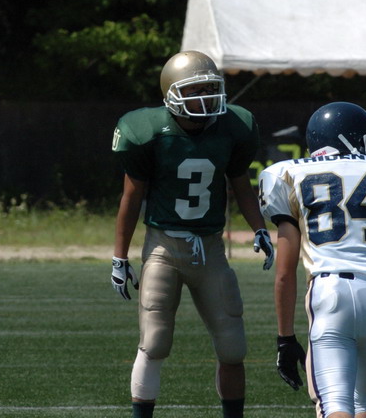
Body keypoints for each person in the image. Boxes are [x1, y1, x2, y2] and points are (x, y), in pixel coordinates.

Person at [110, 50, 275, 418]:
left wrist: (260, 228)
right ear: (171, 93)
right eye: (195, 90)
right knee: (154, 342)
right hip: (163, 249)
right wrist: (120, 256)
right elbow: (131, 197)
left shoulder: (233, 126)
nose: (205, 98)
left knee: (233, 346)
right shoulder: (146, 131)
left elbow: (241, 184)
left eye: (209, 89)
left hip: (211, 248)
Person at [258, 101, 366, 418]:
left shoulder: (288, 174)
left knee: (333, 404)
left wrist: (285, 338)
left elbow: (284, 273)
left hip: (332, 292)